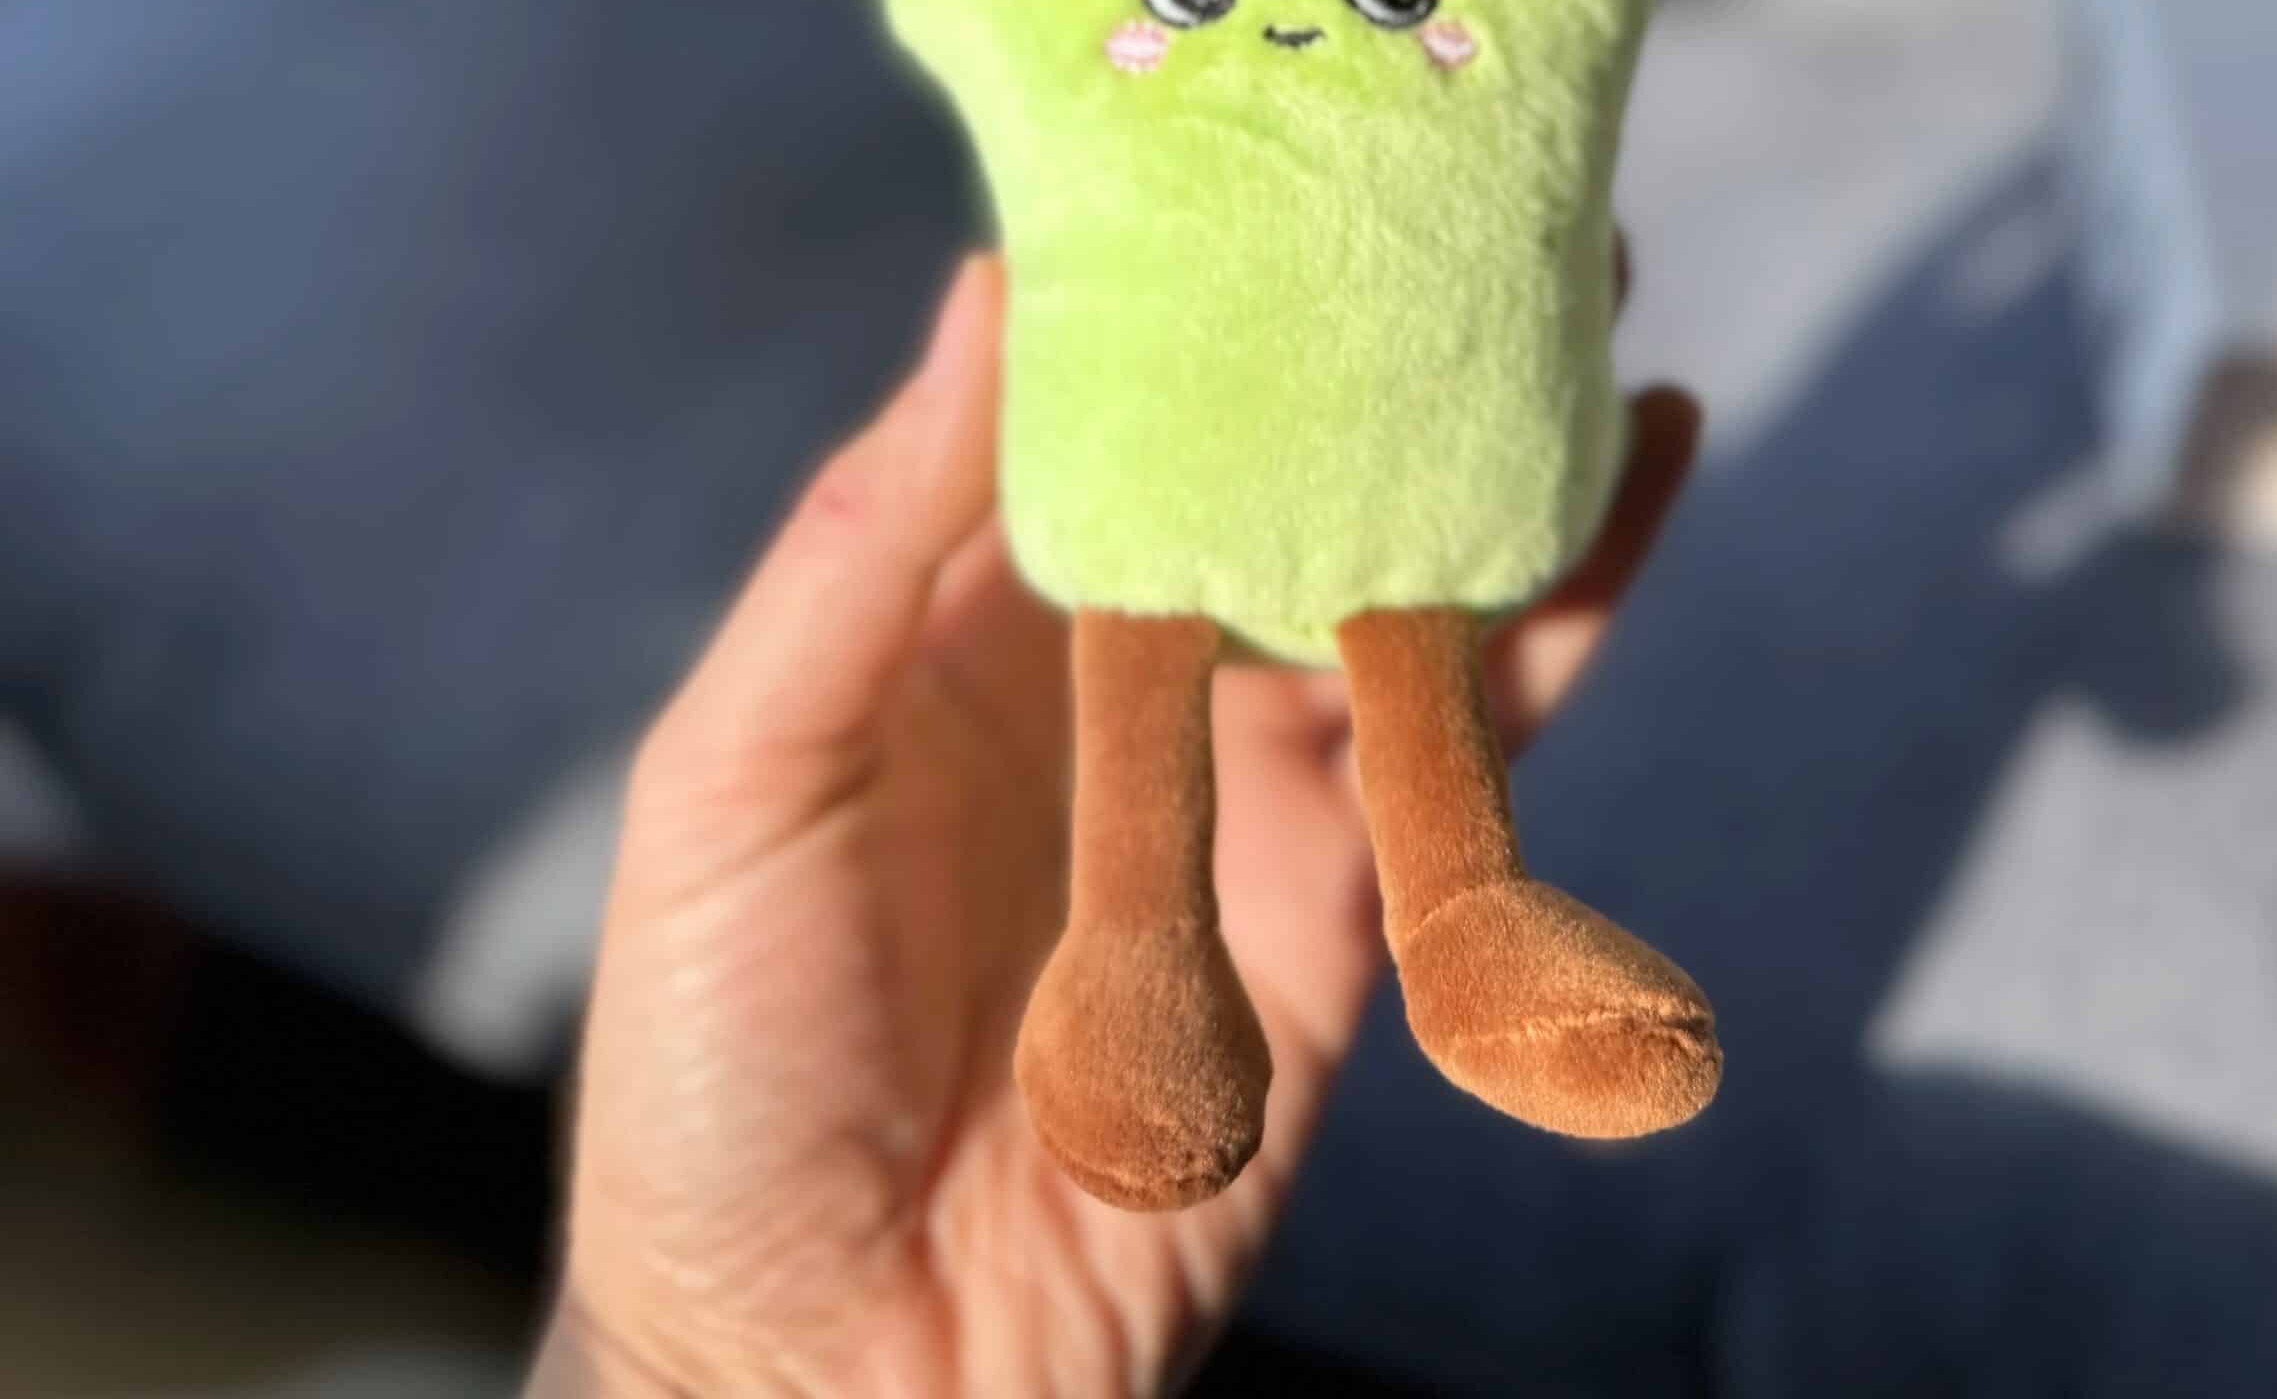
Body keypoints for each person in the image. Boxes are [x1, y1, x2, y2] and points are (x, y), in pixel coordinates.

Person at [531, 252, 1700, 1395]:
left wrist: (700, 1363)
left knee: (1398, 639)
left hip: (1358, 497)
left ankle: (1470, 923)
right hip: (1159, 502)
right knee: (1160, 724)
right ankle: (1151, 959)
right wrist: (695, 1360)